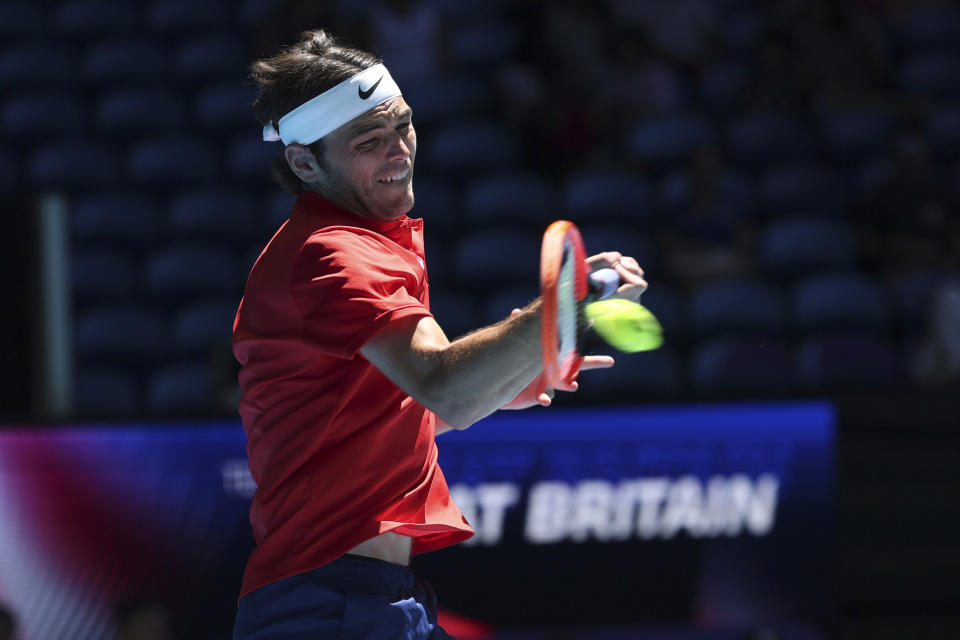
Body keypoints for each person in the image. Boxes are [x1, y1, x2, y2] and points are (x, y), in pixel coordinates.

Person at [233, 29, 648, 639]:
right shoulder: (333, 255)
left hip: (370, 599)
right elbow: (446, 388)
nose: (398, 151)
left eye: (402, 126)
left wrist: (506, 378)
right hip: (327, 605)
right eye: (368, 142)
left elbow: (392, 413)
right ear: (304, 161)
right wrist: (567, 303)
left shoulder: (364, 240)